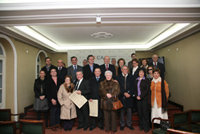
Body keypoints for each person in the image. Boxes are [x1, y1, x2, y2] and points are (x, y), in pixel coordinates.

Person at [117, 66, 134, 130]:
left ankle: (129, 124)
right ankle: (122, 124)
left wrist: (129, 94)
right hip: (121, 96)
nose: (125, 70)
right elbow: (118, 87)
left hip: (129, 97)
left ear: (128, 70)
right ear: (121, 70)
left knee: (129, 111)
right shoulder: (118, 77)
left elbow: (133, 86)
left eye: (126, 69)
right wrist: (124, 93)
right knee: (122, 111)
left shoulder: (131, 77)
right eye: (123, 69)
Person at [135, 68, 150, 133]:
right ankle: (141, 126)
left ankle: (146, 127)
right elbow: (134, 89)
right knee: (140, 113)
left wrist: (140, 96)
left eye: (142, 72)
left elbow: (146, 90)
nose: (141, 73)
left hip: (144, 99)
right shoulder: (136, 80)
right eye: (140, 72)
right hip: (137, 99)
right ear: (138, 73)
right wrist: (136, 96)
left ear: (144, 73)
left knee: (145, 113)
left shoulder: (146, 80)